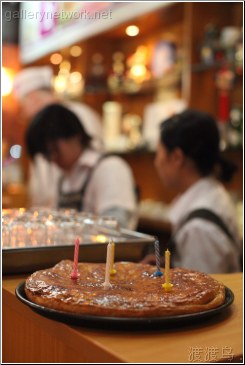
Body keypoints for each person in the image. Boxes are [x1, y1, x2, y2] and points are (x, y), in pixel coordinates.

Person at [143, 109, 241, 273]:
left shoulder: (199, 229)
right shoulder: (210, 193)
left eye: (158, 153)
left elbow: (203, 293)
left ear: (177, 158)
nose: (156, 163)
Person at [25, 103, 138, 230]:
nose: (53, 159)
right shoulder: (64, 177)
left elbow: (117, 225)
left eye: (54, 149)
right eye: (47, 155)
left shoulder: (109, 168)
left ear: (75, 135)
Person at [13, 66, 103, 208]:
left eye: (23, 107)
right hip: (54, 212)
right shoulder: (39, 125)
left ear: (32, 98)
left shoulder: (77, 115)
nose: (25, 114)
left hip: (77, 211)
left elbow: (91, 165)